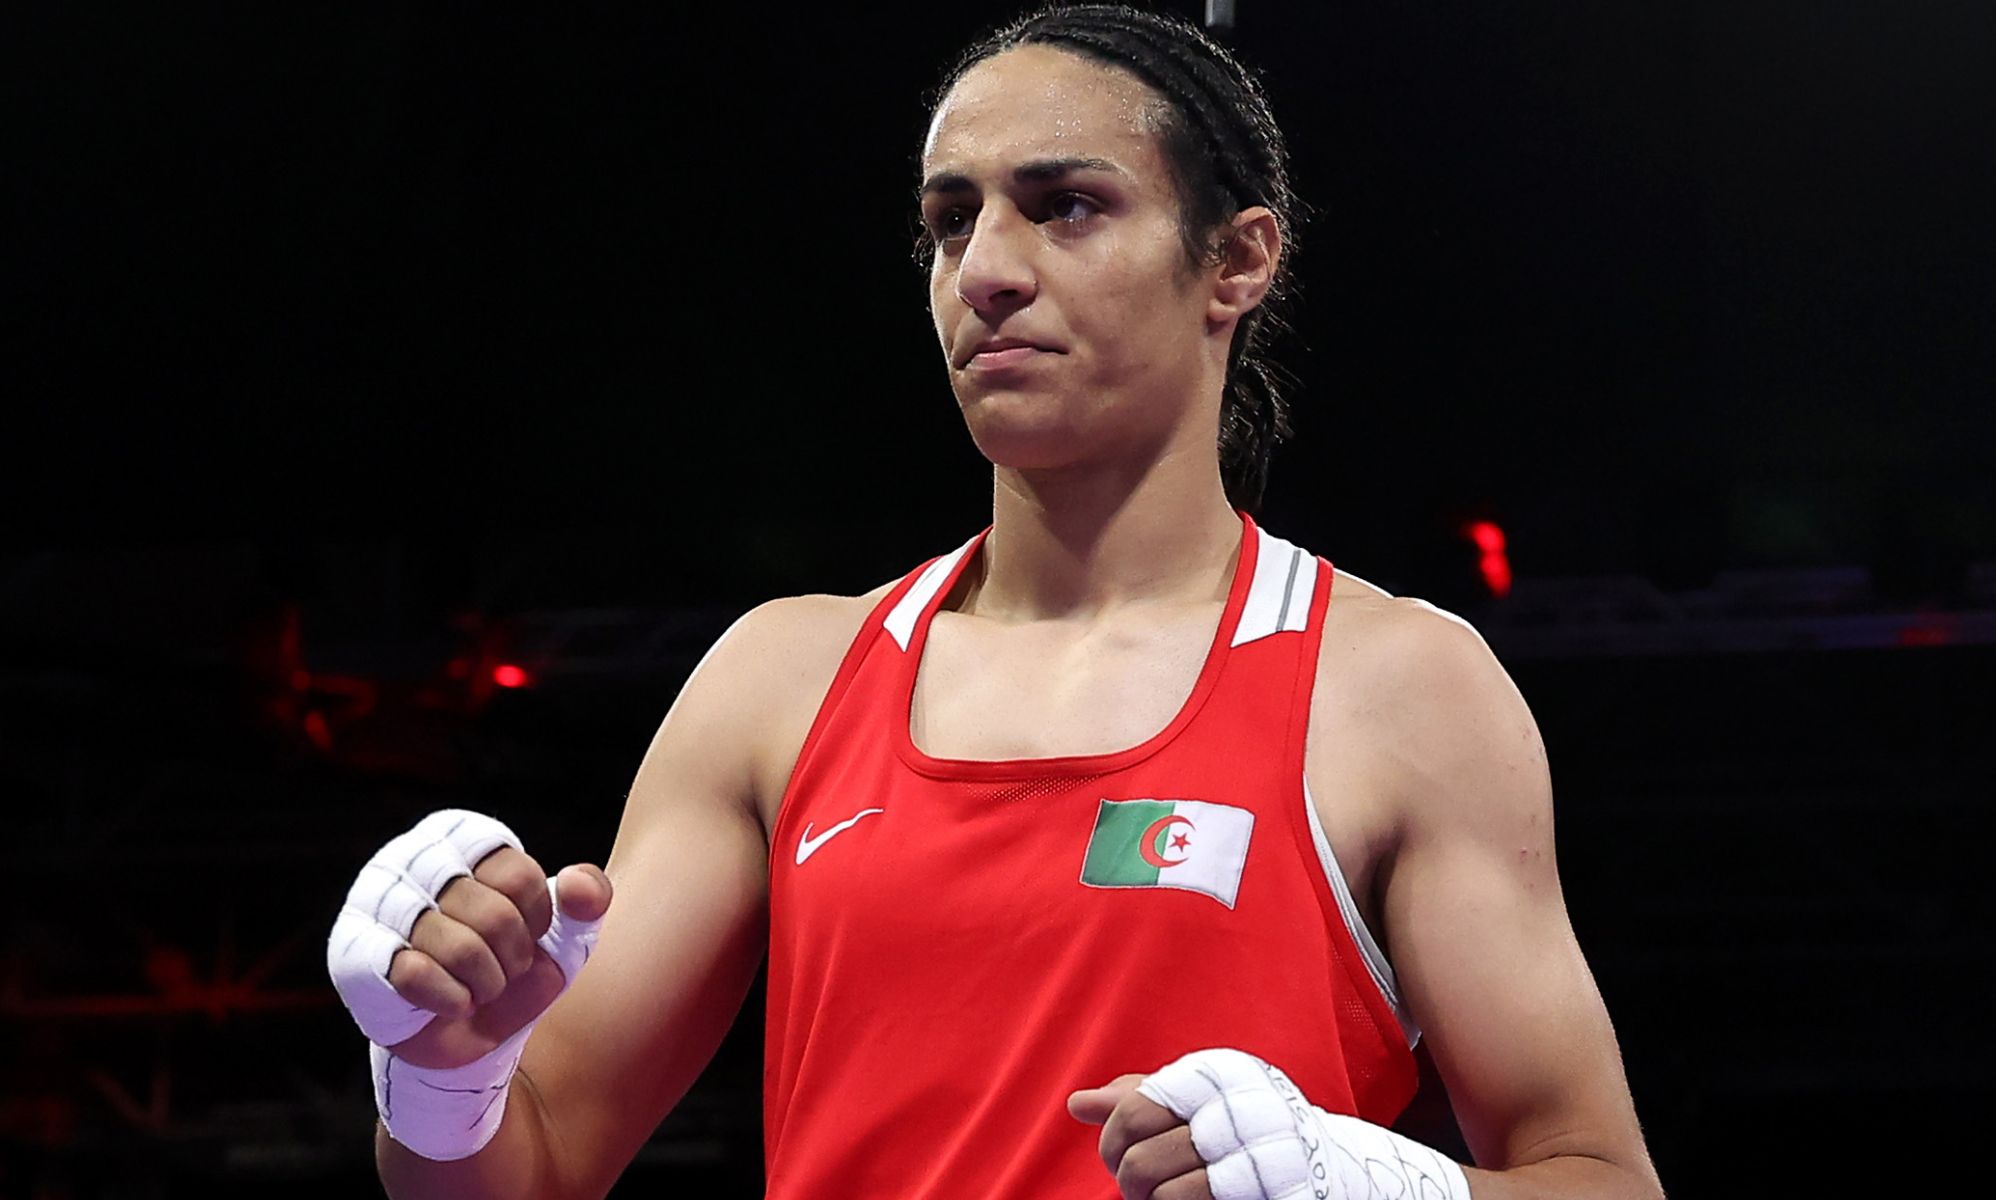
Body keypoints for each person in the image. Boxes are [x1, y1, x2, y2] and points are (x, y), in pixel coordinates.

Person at [329, 6, 1665, 1198]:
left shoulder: (1396, 687)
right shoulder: (779, 681)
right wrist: (444, 1075)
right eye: (951, 219)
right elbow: (534, 1167)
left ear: (1236, 262)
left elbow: (1598, 1176)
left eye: (1066, 204)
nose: (983, 273)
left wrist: (1379, 1194)